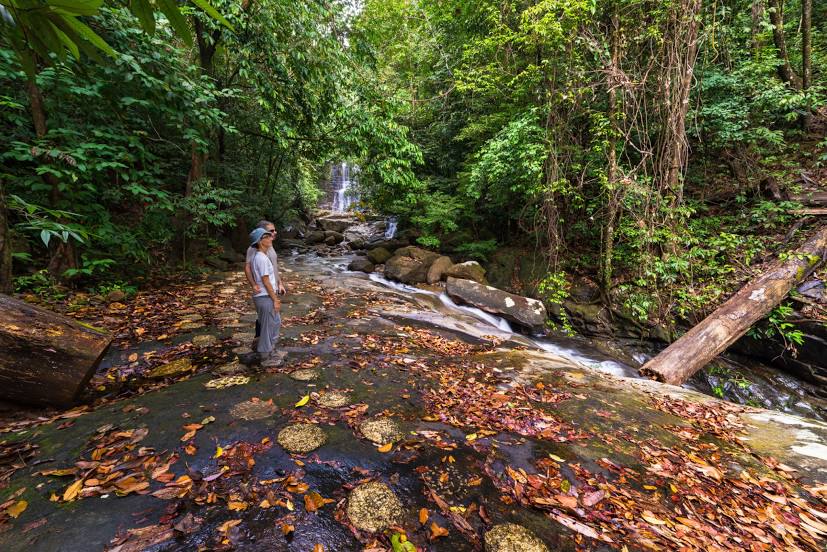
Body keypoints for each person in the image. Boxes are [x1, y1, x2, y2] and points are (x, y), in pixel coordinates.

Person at [244, 220, 286, 346]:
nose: (274, 233)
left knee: (273, 319)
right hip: (264, 290)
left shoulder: (270, 247)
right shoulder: (255, 249)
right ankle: (262, 345)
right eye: (270, 231)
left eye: (273, 231)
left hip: (272, 287)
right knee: (266, 318)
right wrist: (253, 284)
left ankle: (266, 344)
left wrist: (280, 283)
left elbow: (274, 267)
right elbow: (248, 267)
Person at [248, 227, 281, 364]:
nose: (270, 238)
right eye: (267, 236)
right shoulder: (261, 258)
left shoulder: (261, 256)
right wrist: (275, 299)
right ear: (261, 241)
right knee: (268, 327)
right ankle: (266, 356)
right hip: (264, 297)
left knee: (275, 322)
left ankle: (268, 350)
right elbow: (266, 281)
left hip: (264, 296)